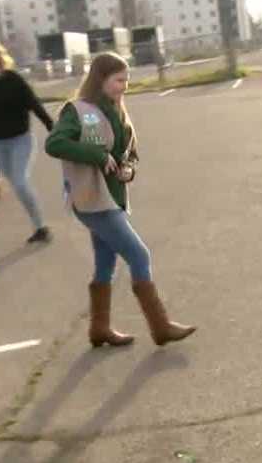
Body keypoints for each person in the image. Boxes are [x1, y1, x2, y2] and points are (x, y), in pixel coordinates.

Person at [45, 52, 195, 347]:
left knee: (105, 263)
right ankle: (160, 326)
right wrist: (98, 156)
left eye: (126, 79)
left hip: (110, 196)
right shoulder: (79, 110)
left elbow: (124, 149)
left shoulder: (116, 108)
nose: (124, 86)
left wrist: (127, 165)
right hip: (92, 199)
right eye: (118, 80)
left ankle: (99, 329)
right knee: (139, 256)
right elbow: (55, 143)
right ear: (100, 79)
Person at [0, 42, 53, 243]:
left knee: (19, 181)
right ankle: (38, 227)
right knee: (18, 186)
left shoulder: (14, 79)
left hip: (20, 141)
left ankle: (42, 227)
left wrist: (53, 128)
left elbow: (34, 104)